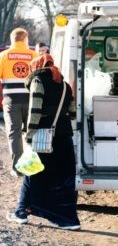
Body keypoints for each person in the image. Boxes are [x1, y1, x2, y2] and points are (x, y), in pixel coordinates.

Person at [7, 54, 80, 230]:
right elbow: (72, 112)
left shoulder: (38, 81)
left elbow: (35, 110)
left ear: (37, 66)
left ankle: (21, 212)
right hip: (65, 138)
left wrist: (29, 135)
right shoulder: (63, 84)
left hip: (45, 137)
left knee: (31, 173)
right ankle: (67, 219)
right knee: (62, 179)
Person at [0, 28, 38, 176]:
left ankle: (18, 168)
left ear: (12, 39)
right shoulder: (34, 56)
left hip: (11, 101)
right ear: (26, 39)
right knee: (32, 132)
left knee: (14, 133)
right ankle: (33, 165)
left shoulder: (3, 56)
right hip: (31, 101)